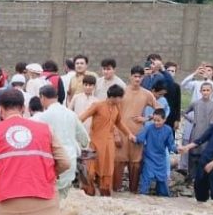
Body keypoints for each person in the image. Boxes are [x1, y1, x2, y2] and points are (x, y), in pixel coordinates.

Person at [78, 84, 135, 197]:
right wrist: (76, 132)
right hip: (94, 142)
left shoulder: (116, 108)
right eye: (120, 97)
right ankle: (88, 193)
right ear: (113, 97)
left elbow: (119, 123)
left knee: (107, 170)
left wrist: (129, 134)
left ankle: (105, 195)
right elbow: (82, 118)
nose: (121, 100)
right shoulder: (98, 105)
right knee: (90, 169)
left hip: (109, 144)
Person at [36, 84, 90, 199]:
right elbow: (85, 139)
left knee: (51, 197)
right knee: (63, 197)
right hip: (70, 160)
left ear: (42, 97)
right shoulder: (71, 114)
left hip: (54, 163)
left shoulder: (43, 117)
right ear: (56, 97)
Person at [113, 65, 157, 193]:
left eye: (140, 77)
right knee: (118, 161)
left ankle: (133, 192)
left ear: (143, 78)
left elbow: (160, 110)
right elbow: (112, 111)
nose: (137, 79)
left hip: (137, 133)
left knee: (135, 163)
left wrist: (147, 118)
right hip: (121, 131)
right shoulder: (122, 91)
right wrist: (115, 133)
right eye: (135, 76)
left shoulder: (147, 94)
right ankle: (115, 190)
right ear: (130, 77)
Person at [134, 109, 182, 197]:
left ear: (164, 119)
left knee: (162, 181)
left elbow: (171, 145)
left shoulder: (168, 130)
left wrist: (177, 149)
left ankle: (163, 196)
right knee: (146, 177)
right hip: (149, 157)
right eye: (154, 120)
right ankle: (142, 195)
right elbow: (140, 138)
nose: (156, 123)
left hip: (161, 159)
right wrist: (134, 138)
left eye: (158, 121)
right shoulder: (148, 127)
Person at [181, 82, 213, 182]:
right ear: (200, 91)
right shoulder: (195, 103)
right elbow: (184, 112)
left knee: (205, 154)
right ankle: (191, 175)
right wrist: (192, 120)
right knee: (193, 153)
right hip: (196, 131)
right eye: (204, 90)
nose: (206, 92)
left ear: (212, 91)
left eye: (208, 90)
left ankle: (202, 177)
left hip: (207, 132)